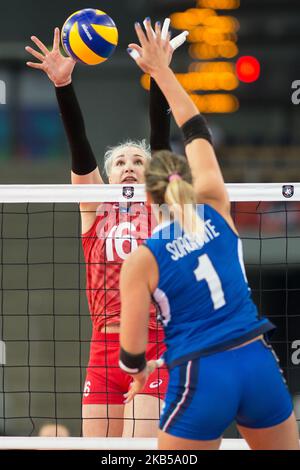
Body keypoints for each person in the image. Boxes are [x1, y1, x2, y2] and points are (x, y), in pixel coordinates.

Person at [119, 19, 300, 450]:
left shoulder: (143, 258)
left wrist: (138, 371)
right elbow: (196, 128)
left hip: (202, 374)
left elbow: (131, 352)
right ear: (187, 179)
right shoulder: (217, 205)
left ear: (149, 196)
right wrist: (162, 71)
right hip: (258, 361)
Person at [25, 22, 185, 437]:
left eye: (138, 160)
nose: (130, 165)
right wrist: (63, 86)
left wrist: (156, 75)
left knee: (138, 455)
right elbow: (79, 147)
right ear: (107, 177)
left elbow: (161, 137)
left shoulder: (158, 204)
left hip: (154, 343)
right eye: (120, 162)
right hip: (102, 348)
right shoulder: (94, 208)